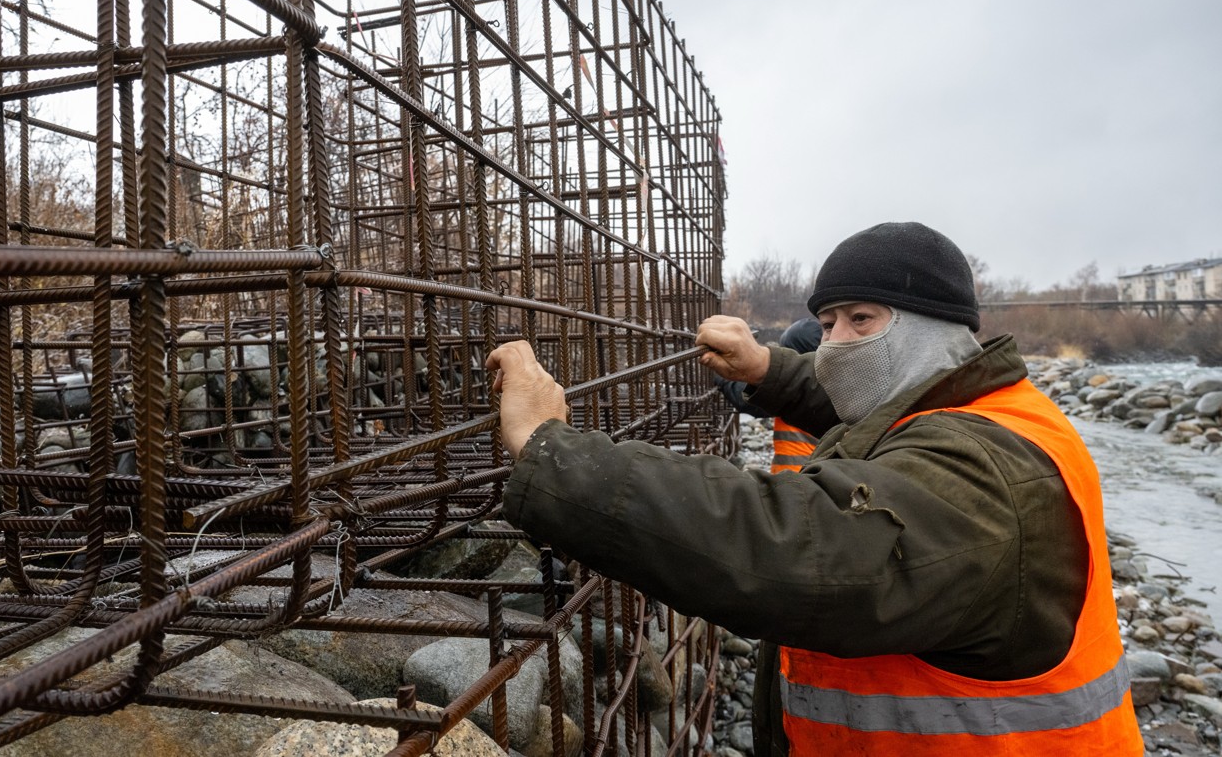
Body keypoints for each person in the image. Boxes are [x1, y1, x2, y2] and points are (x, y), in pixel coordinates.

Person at [486, 221, 1141, 756]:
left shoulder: (979, 467)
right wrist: (767, 368)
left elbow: (793, 550)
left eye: (860, 319)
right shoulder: (973, 404)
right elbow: (874, 407)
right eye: (825, 324)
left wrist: (552, 449)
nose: (833, 345)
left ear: (937, 327)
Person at [718, 317, 822, 473]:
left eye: (788, 354)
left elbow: (748, 402)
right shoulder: (825, 385)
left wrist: (722, 378)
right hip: (801, 477)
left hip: (799, 478)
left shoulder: (796, 388)